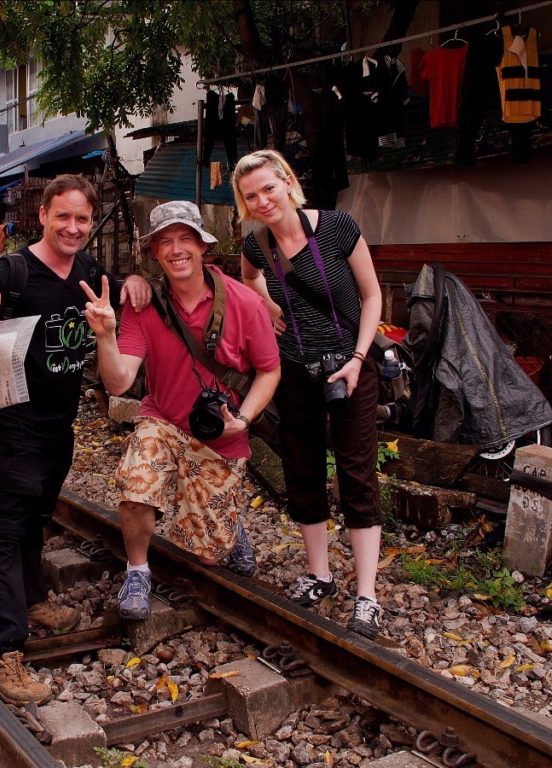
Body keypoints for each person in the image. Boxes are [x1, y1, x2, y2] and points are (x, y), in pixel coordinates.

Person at [0, 174, 150, 705]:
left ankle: (32, 597)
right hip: (12, 420)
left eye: (83, 218)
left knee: (37, 515)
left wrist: (136, 283)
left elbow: (115, 310)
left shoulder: (89, 274)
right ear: (43, 216)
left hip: (60, 422)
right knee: (4, 528)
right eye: (64, 217)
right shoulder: (11, 272)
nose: (73, 227)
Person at [80, 201, 280, 621]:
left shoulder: (245, 304)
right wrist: (106, 336)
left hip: (221, 434)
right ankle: (137, 570)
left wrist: (241, 421)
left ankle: (228, 527)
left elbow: (270, 370)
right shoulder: (143, 304)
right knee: (136, 491)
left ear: (202, 246)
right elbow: (118, 383)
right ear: (154, 252)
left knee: (208, 554)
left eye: (185, 239)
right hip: (163, 419)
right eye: (165, 242)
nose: (176, 250)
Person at [232, 149, 385, 639]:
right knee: (302, 469)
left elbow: (373, 295)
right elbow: (248, 280)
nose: (262, 201)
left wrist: (359, 360)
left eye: (268, 189)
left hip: (350, 369)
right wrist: (269, 306)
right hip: (295, 370)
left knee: (357, 472)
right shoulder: (257, 245)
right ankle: (319, 574)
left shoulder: (338, 227)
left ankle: (367, 596)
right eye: (251, 196)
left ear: (287, 182)